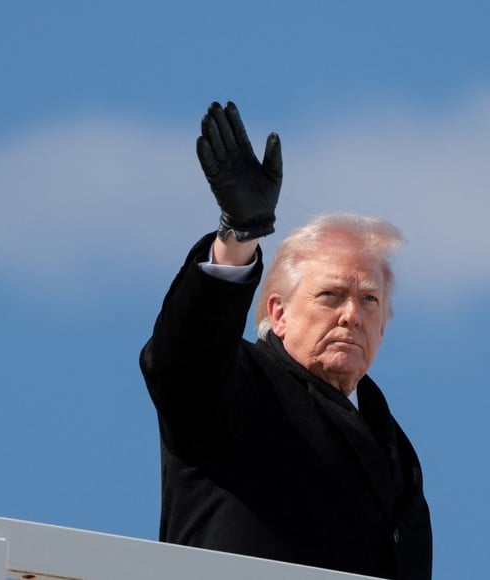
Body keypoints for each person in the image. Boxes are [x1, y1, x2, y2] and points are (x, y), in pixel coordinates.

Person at [139, 101, 432, 580]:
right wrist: (238, 236)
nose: (352, 315)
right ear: (278, 313)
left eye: (370, 300)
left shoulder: (394, 445)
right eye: (331, 295)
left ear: (384, 325)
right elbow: (183, 361)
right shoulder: (239, 387)